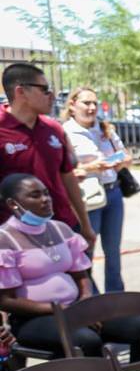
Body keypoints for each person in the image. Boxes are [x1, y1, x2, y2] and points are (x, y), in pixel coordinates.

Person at [0, 174, 140, 371]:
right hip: (36, 320)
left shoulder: (59, 229)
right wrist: (59, 311)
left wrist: (85, 301)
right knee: (86, 341)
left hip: (77, 310)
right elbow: (7, 301)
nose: (45, 199)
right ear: (13, 203)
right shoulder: (5, 239)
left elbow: (81, 275)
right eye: (34, 195)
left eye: (46, 192)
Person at [0, 63, 96, 247]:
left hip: (63, 228)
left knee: (81, 276)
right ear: (20, 92)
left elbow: (68, 178)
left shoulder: (53, 128)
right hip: (18, 240)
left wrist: (85, 224)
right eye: (44, 89)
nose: (51, 96)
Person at [62, 87, 131, 291]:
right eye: (86, 103)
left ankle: (116, 297)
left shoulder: (105, 128)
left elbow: (125, 155)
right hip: (88, 197)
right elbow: (63, 171)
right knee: (86, 251)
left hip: (113, 192)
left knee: (113, 251)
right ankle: (90, 299)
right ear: (72, 105)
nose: (92, 108)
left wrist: (120, 161)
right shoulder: (64, 132)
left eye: (95, 103)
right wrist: (92, 167)